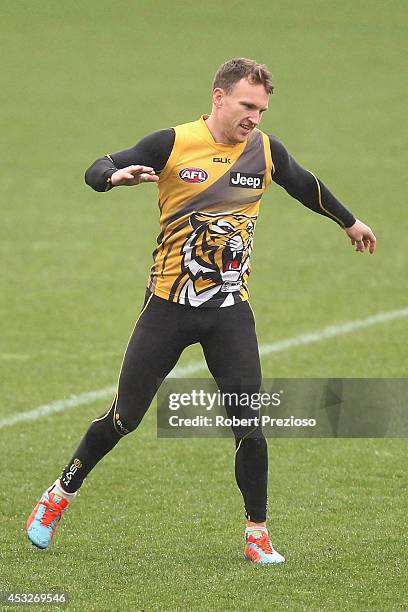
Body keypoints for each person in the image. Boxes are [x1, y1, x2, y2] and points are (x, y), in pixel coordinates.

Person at [26, 58, 376, 564]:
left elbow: (306, 184)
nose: (254, 117)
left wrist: (350, 221)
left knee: (249, 423)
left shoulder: (265, 151)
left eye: (261, 108)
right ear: (218, 97)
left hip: (229, 313)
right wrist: (114, 177)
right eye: (246, 105)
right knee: (124, 418)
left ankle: (257, 532)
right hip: (166, 311)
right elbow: (95, 167)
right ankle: (59, 494)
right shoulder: (172, 143)